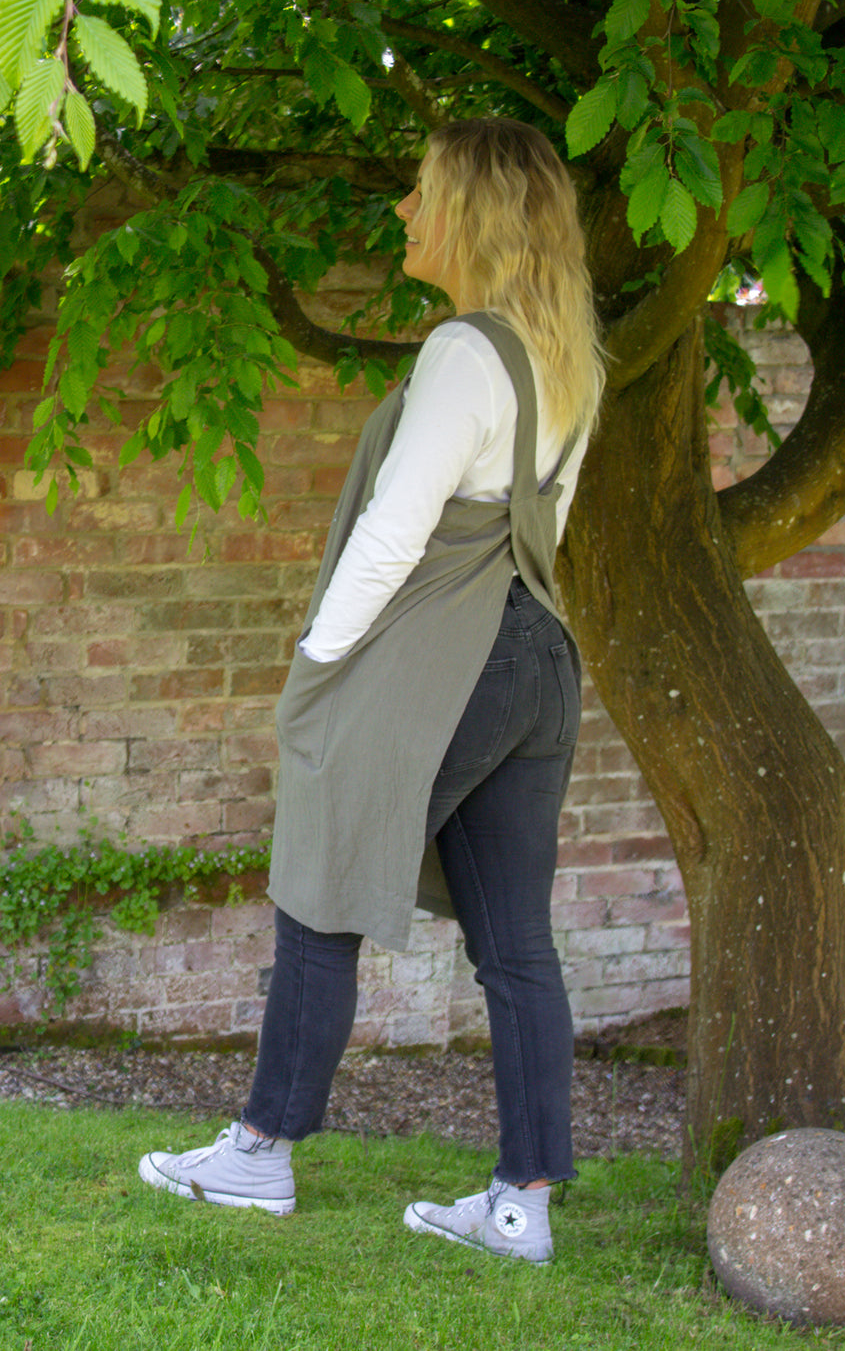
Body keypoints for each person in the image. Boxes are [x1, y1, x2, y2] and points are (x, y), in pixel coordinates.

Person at [139, 116, 605, 1264]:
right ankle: (521, 1202)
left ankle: (259, 1152)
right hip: (538, 655)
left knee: (321, 873)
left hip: (444, 656)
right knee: (516, 945)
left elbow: (399, 529)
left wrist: (319, 664)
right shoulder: (570, 360)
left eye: (420, 190)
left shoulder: (463, 350)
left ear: (471, 213)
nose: (404, 210)